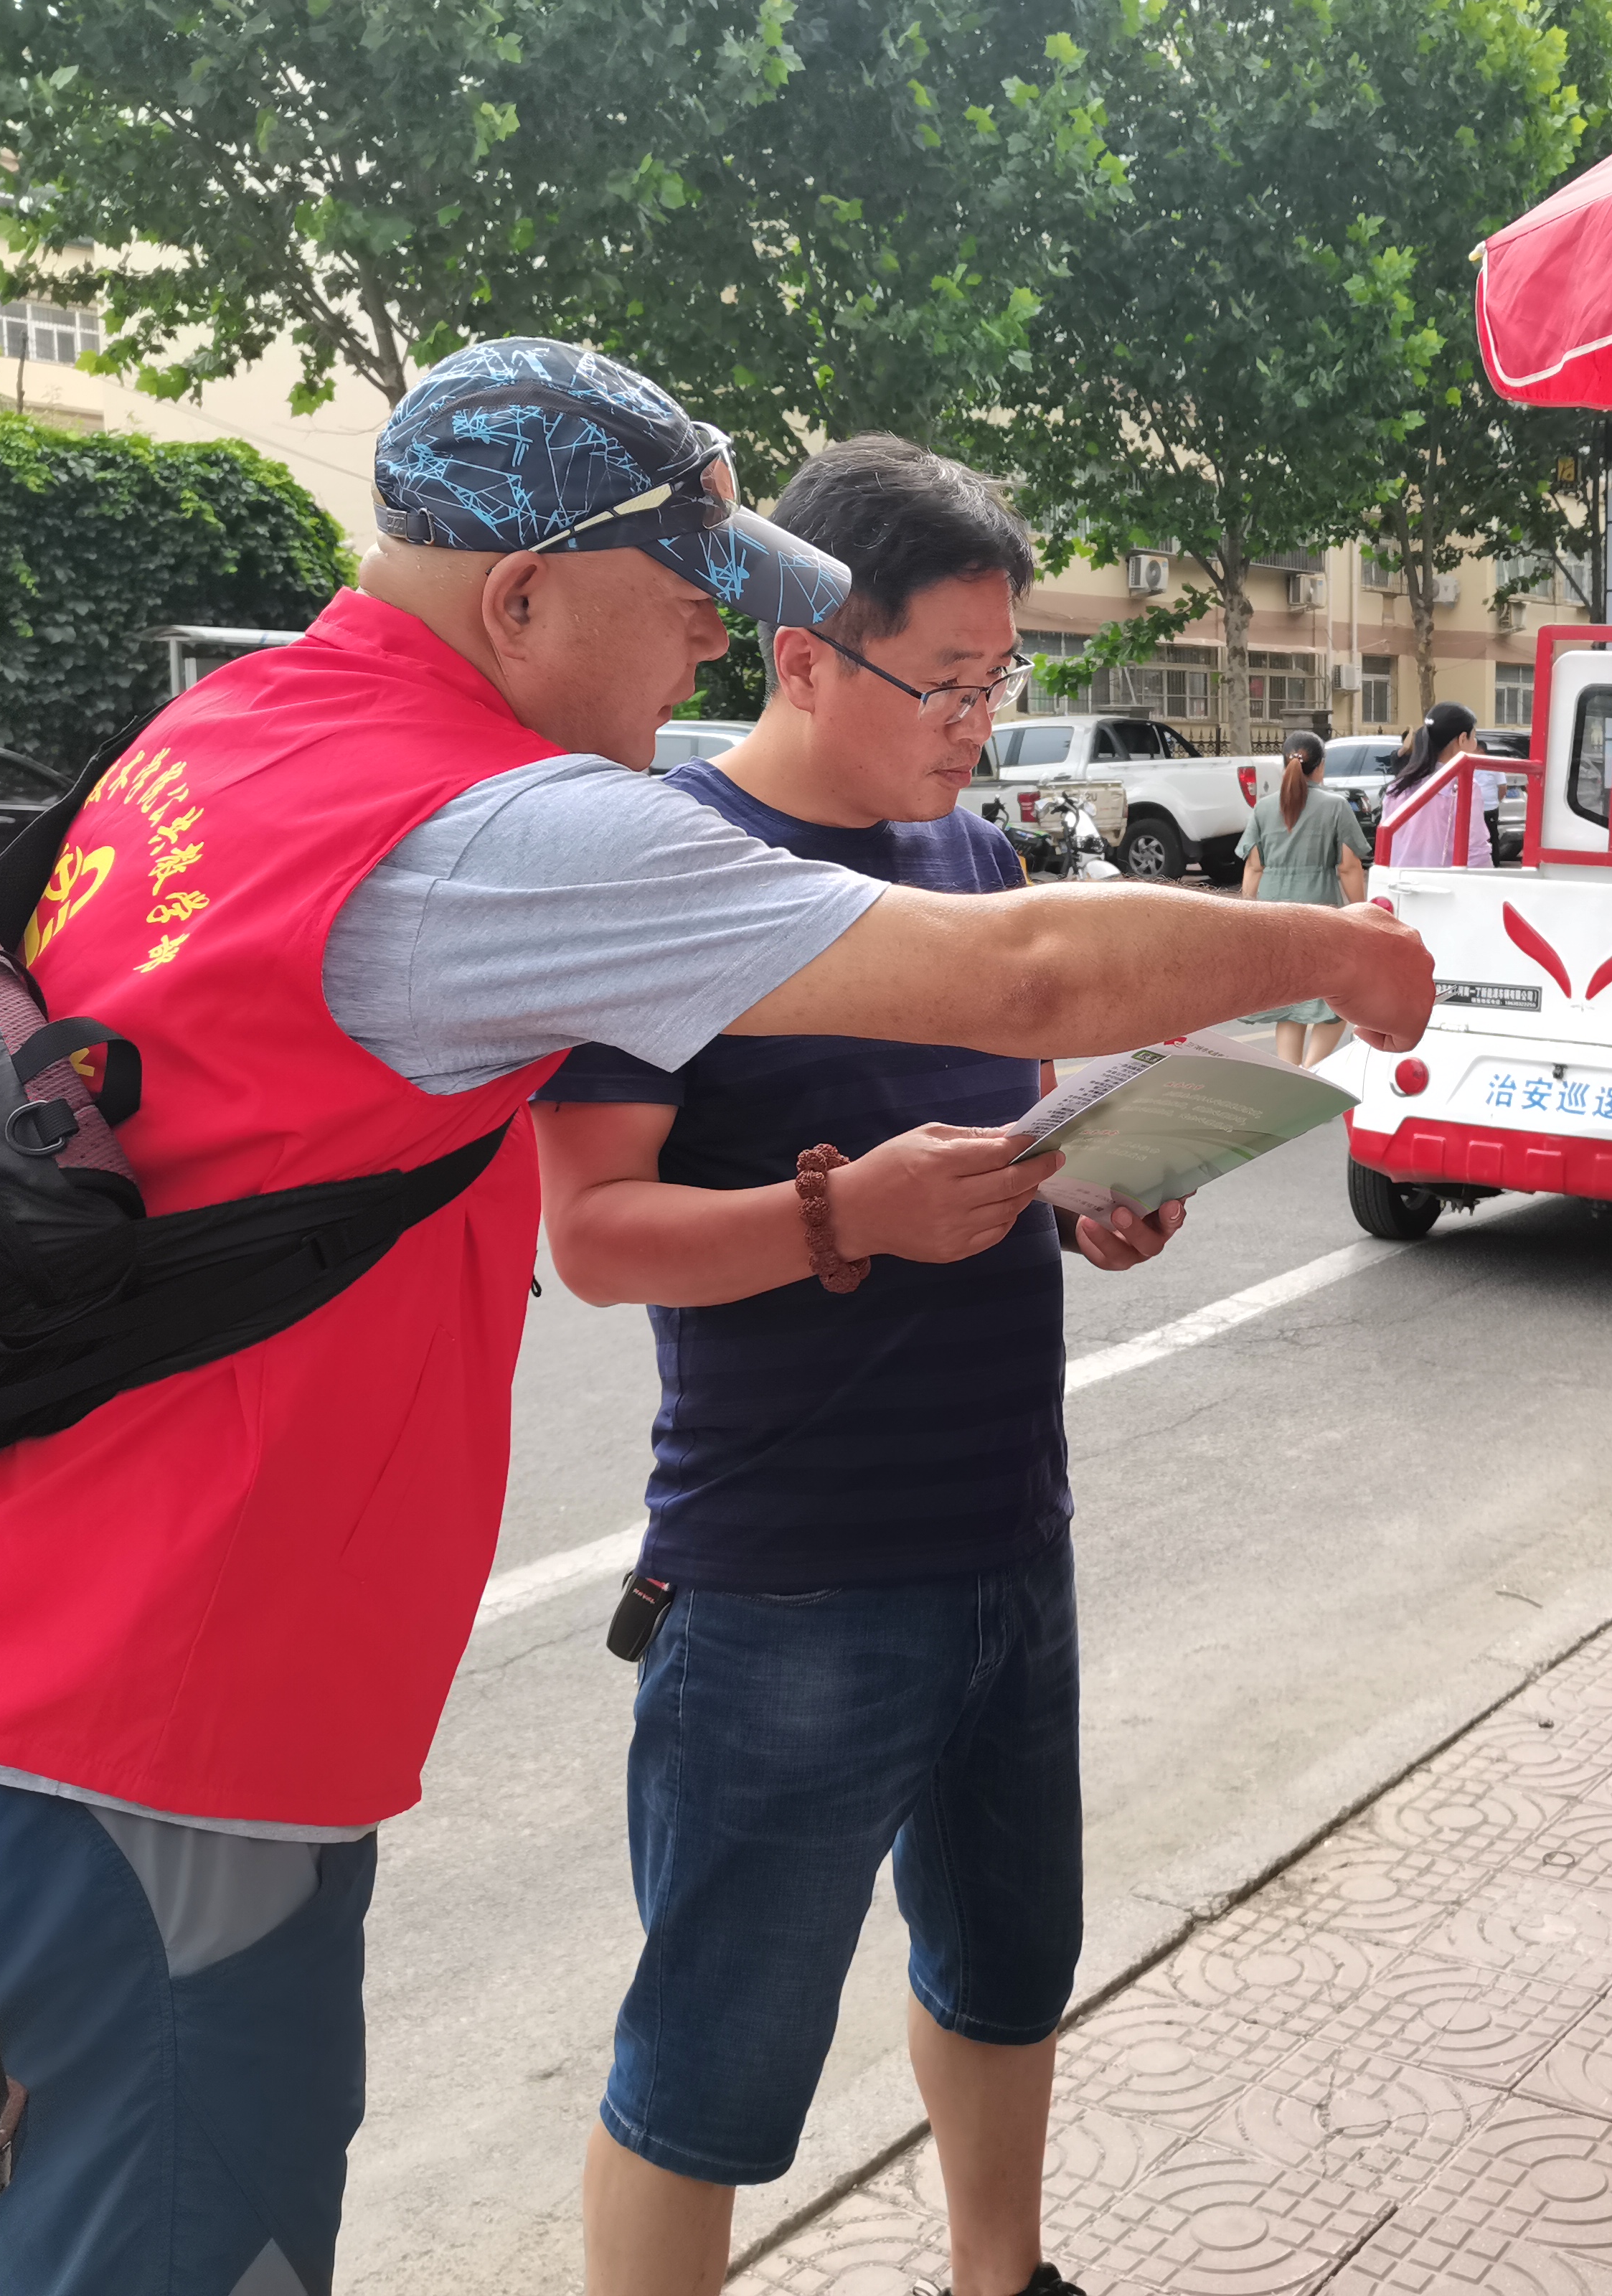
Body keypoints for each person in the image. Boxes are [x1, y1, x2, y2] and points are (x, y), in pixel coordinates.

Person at [0, 340, 1430, 2296]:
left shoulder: (232, 732)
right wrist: (1335, 950)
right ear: (520, 599)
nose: (707, 659)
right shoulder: (487, 831)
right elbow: (1029, 978)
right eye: (686, 604)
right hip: (140, 1716)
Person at [537, 435, 1184, 2296]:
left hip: (1008, 1540)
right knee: (712, 2062)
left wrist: (1087, 1196)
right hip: (788, 1585)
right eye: (949, 683)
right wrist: (847, 1215)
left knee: (1008, 1966)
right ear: (804, 654)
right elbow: (593, 1235)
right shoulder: (673, 868)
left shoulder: (967, 858)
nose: (981, 725)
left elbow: (999, 1129)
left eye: (1003, 679)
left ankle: (1002, 2275)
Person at [1238, 729, 1371, 1064]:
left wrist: (1244, 915)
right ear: (1321, 766)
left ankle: (1292, 1072)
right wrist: (1361, 912)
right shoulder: (1335, 806)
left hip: (1272, 912)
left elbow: (1254, 866)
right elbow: (1348, 867)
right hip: (1319, 909)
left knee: (1290, 1000)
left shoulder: (1264, 808)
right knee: (1336, 1001)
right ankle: (1313, 1069)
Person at [1377, 700, 1500, 865]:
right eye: (1474, 736)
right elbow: (1476, 850)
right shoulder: (1462, 787)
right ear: (1463, 739)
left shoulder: (1399, 786)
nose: (1476, 743)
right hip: (1441, 880)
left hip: (1399, 878)